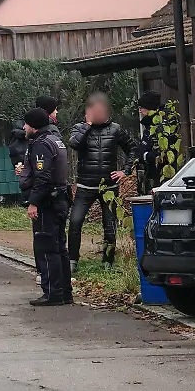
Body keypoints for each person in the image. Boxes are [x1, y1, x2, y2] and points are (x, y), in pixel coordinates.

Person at [68, 92, 139, 270]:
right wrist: (87, 126)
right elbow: (74, 144)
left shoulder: (115, 129)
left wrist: (126, 170)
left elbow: (132, 148)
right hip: (85, 185)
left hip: (109, 185)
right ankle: (72, 260)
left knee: (110, 224)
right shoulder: (79, 128)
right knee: (75, 221)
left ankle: (108, 261)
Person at [19, 108, 72, 306]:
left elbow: (43, 177)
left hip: (48, 203)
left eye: (25, 124)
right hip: (60, 199)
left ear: (33, 125)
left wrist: (33, 202)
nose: (24, 128)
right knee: (60, 248)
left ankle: (52, 293)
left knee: (47, 248)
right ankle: (65, 292)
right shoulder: (55, 140)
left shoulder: (41, 144)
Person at [132, 90, 164, 193]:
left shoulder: (160, 127)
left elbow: (161, 154)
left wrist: (146, 156)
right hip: (147, 175)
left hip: (159, 178)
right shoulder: (148, 127)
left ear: (150, 109)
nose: (140, 111)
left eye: (141, 108)